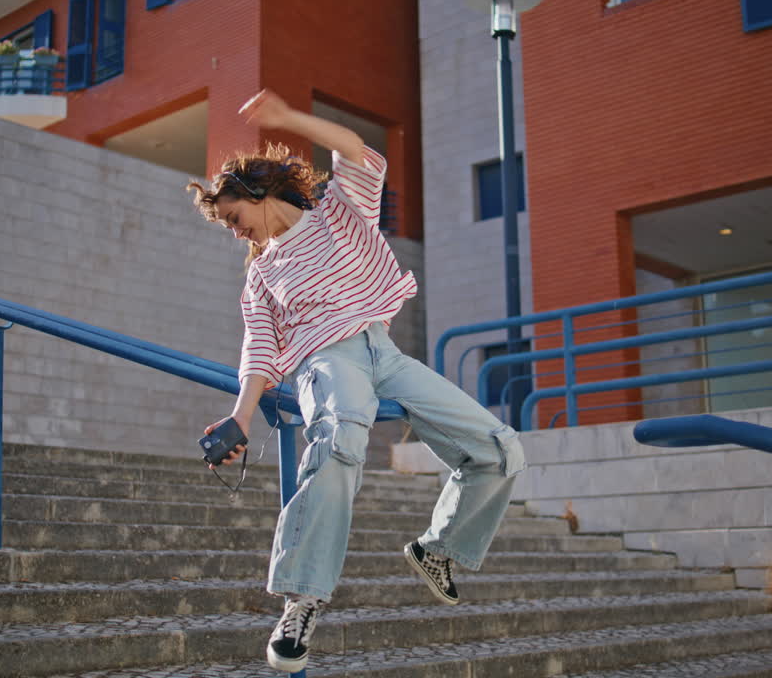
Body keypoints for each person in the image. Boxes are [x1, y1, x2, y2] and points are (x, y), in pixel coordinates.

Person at [190, 89, 527, 673]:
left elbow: (359, 152)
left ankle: (436, 548)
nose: (236, 232)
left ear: (255, 194)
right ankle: (302, 600)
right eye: (227, 227)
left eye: (234, 218)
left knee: (499, 448)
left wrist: (288, 118)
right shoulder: (262, 278)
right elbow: (261, 352)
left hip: (385, 351)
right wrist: (239, 418)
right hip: (326, 359)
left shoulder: (340, 213)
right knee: (342, 436)